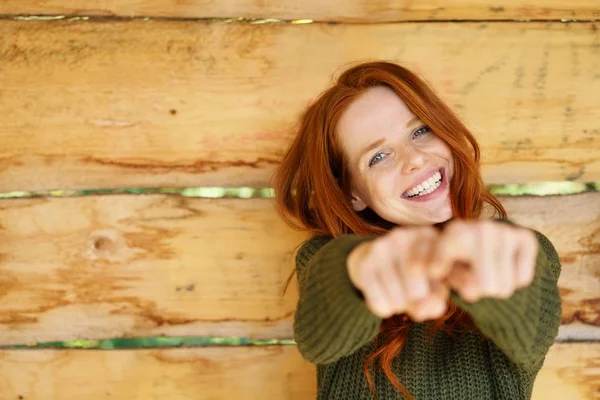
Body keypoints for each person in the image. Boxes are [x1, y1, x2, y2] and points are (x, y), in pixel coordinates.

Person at [271, 61, 562, 399]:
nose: (414, 159)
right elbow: (319, 326)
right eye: (378, 156)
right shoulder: (325, 259)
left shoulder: (527, 250)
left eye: (420, 131)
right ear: (353, 194)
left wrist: (498, 270)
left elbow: (532, 320)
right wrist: (359, 270)